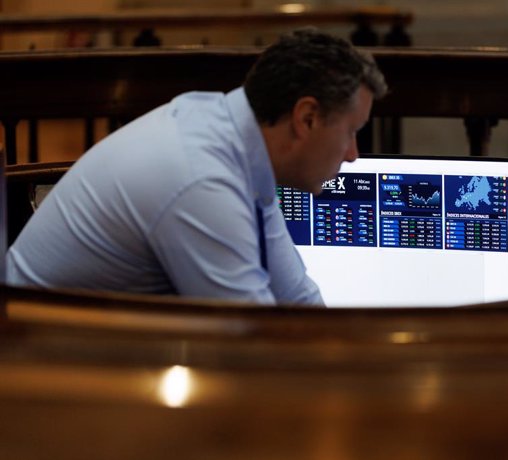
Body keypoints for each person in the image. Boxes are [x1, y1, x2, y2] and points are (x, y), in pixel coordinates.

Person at [6, 29, 388, 305]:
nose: (353, 153)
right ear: (307, 118)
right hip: (33, 363)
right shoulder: (202, 180)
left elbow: (295, 296)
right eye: (351, 131)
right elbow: (253, 342)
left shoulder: (234, 138)